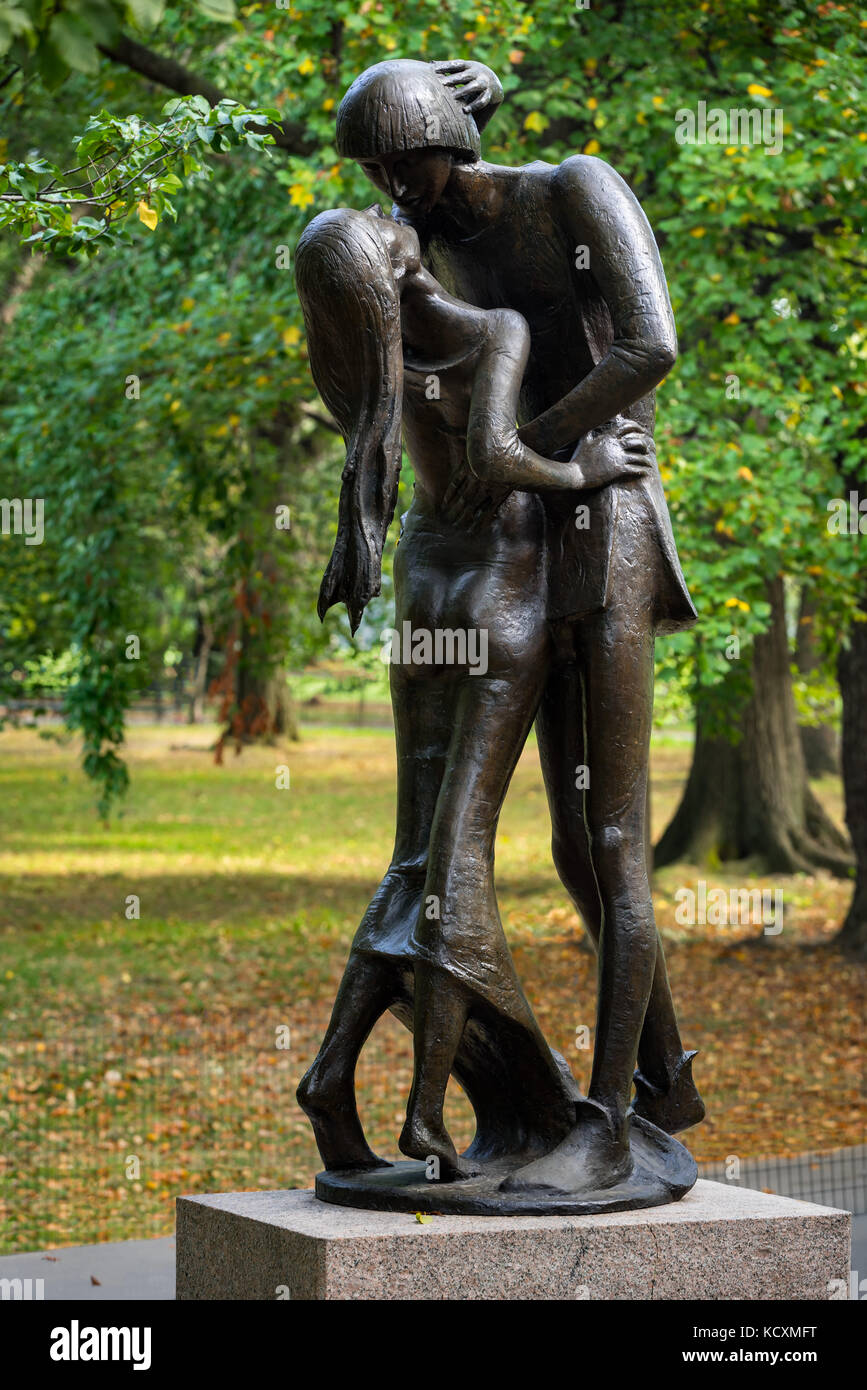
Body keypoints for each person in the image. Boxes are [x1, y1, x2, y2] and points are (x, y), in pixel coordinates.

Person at [334, 59, 704, 1195]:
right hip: (535, 526)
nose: (398, 188)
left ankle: (610, 1114)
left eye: (410, 161)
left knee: (611, 837)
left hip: (611, 517)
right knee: (565, 842)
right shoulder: (433, 243)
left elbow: (652, 345)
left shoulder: (574, 189)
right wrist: (510, 474)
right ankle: (666, 1076)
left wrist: (542, 456)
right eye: (381, 172)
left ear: (453, 141)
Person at [294, 204, 652, 1180]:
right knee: (458, 854)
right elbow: (497, 460)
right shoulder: (494, 331)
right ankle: (423, 1114)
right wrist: (585, 469)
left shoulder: (371, 361)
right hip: (499, 587)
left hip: (424, 581)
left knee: (414, 851)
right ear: (402, 259)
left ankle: (331, 1078)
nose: (388, 205)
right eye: (382, 215)